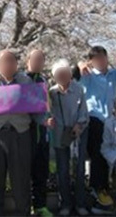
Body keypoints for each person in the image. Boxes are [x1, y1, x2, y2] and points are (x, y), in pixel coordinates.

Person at [0, 49, 43, 216]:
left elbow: (35, 106)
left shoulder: (26, 81)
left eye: (12, 61)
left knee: (21, 177)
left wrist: (44, 120)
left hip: (20, 132)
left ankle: (23, 211)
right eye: (5, 61)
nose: (9, 64)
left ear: (17, 64)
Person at [78, 46, 116, 214]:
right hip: (93, 118)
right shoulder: (87, 75)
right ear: (92, 61)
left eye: (103, 58)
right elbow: (75, 73)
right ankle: (98, 188)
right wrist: (79, 65)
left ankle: (102, 188)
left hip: (109, 120)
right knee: (99, 152)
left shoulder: (112, 75)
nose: (101, 62)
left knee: (105, 152)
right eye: (97, 59)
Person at [47, 59, 89, 217]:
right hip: (59, 135)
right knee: (62, 170)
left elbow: (83, 111)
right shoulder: (51, 92)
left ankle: (80, 204)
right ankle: (64, 203)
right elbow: (47, 112)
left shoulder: (79, 89)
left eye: (65, 74)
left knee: (79, 170)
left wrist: (79, 125)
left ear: (70, 75)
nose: (62, 77)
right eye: (59, 74)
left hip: (78, 133)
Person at [26, 49, 53, 217]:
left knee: (41, 171)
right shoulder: (22, 80)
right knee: (26, 172)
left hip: (43, 134)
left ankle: (41, 206)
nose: (38, 62)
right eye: (35, 59)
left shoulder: (44, 80)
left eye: (41, 59)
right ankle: (27, 205)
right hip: (26, 133)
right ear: (28, 60)